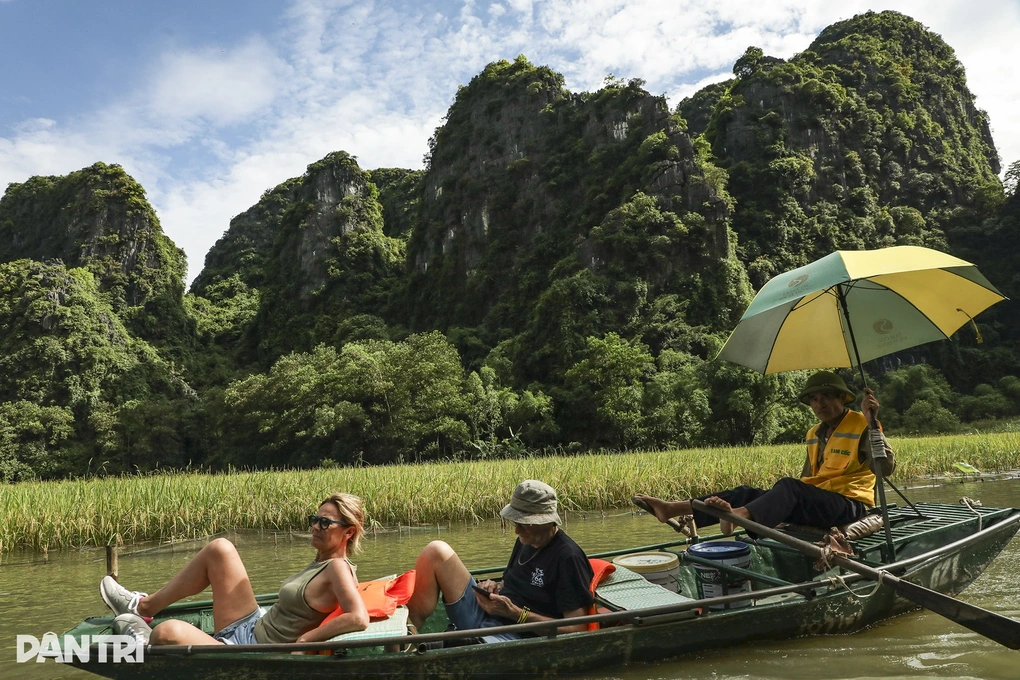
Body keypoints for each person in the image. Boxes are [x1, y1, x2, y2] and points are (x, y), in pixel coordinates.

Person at [636, 371, 895, 535]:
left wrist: (873, 423)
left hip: (851, 506)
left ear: (841, 398)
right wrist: (774, 502)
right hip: (821, 503)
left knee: (788, 487)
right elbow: (809, 481)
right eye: (814, 399)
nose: (820, 404)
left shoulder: (863, 423)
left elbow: (884, 470)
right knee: (747, 493)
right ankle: (673, 508)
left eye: (827, 396)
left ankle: (739, 515)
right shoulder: (814, 433)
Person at [99, 493, 369, 646]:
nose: (315, 527)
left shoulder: (337, 567)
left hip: (253, 648)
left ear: (348, 532)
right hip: (254, 623)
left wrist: (307, 639)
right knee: (220, 549)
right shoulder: (322, 560)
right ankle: (142, 607)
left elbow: (358, 617)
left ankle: (144, 642)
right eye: (314, 519)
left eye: (325, 523)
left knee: (166, 633)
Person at [406, 480, 594, 642]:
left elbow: (576, 630)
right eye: (516, 522)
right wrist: (494, 586)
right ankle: (405, 641)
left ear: (547, 521)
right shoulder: (526, 539)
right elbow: (510, 582)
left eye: (525, 523)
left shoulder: (568, 557)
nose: (517, 530)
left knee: (455, 647)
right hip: (490, 613)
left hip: (516, 634)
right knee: (436, 551)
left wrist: (515, 614)